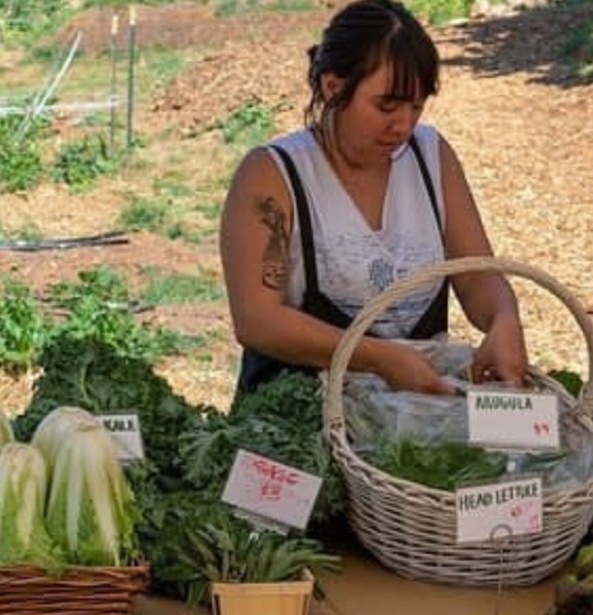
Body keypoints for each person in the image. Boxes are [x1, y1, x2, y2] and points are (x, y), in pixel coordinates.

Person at [219, 0, 528, 398]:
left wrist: (504, 318)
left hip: (412, 417)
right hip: (297, 423)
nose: (402, 124)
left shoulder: (431, 157)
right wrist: (378, 358)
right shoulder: (273, 174)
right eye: (386, 105)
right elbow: (256, 319)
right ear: (333, 87)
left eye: (416, 107)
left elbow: (477, 274)